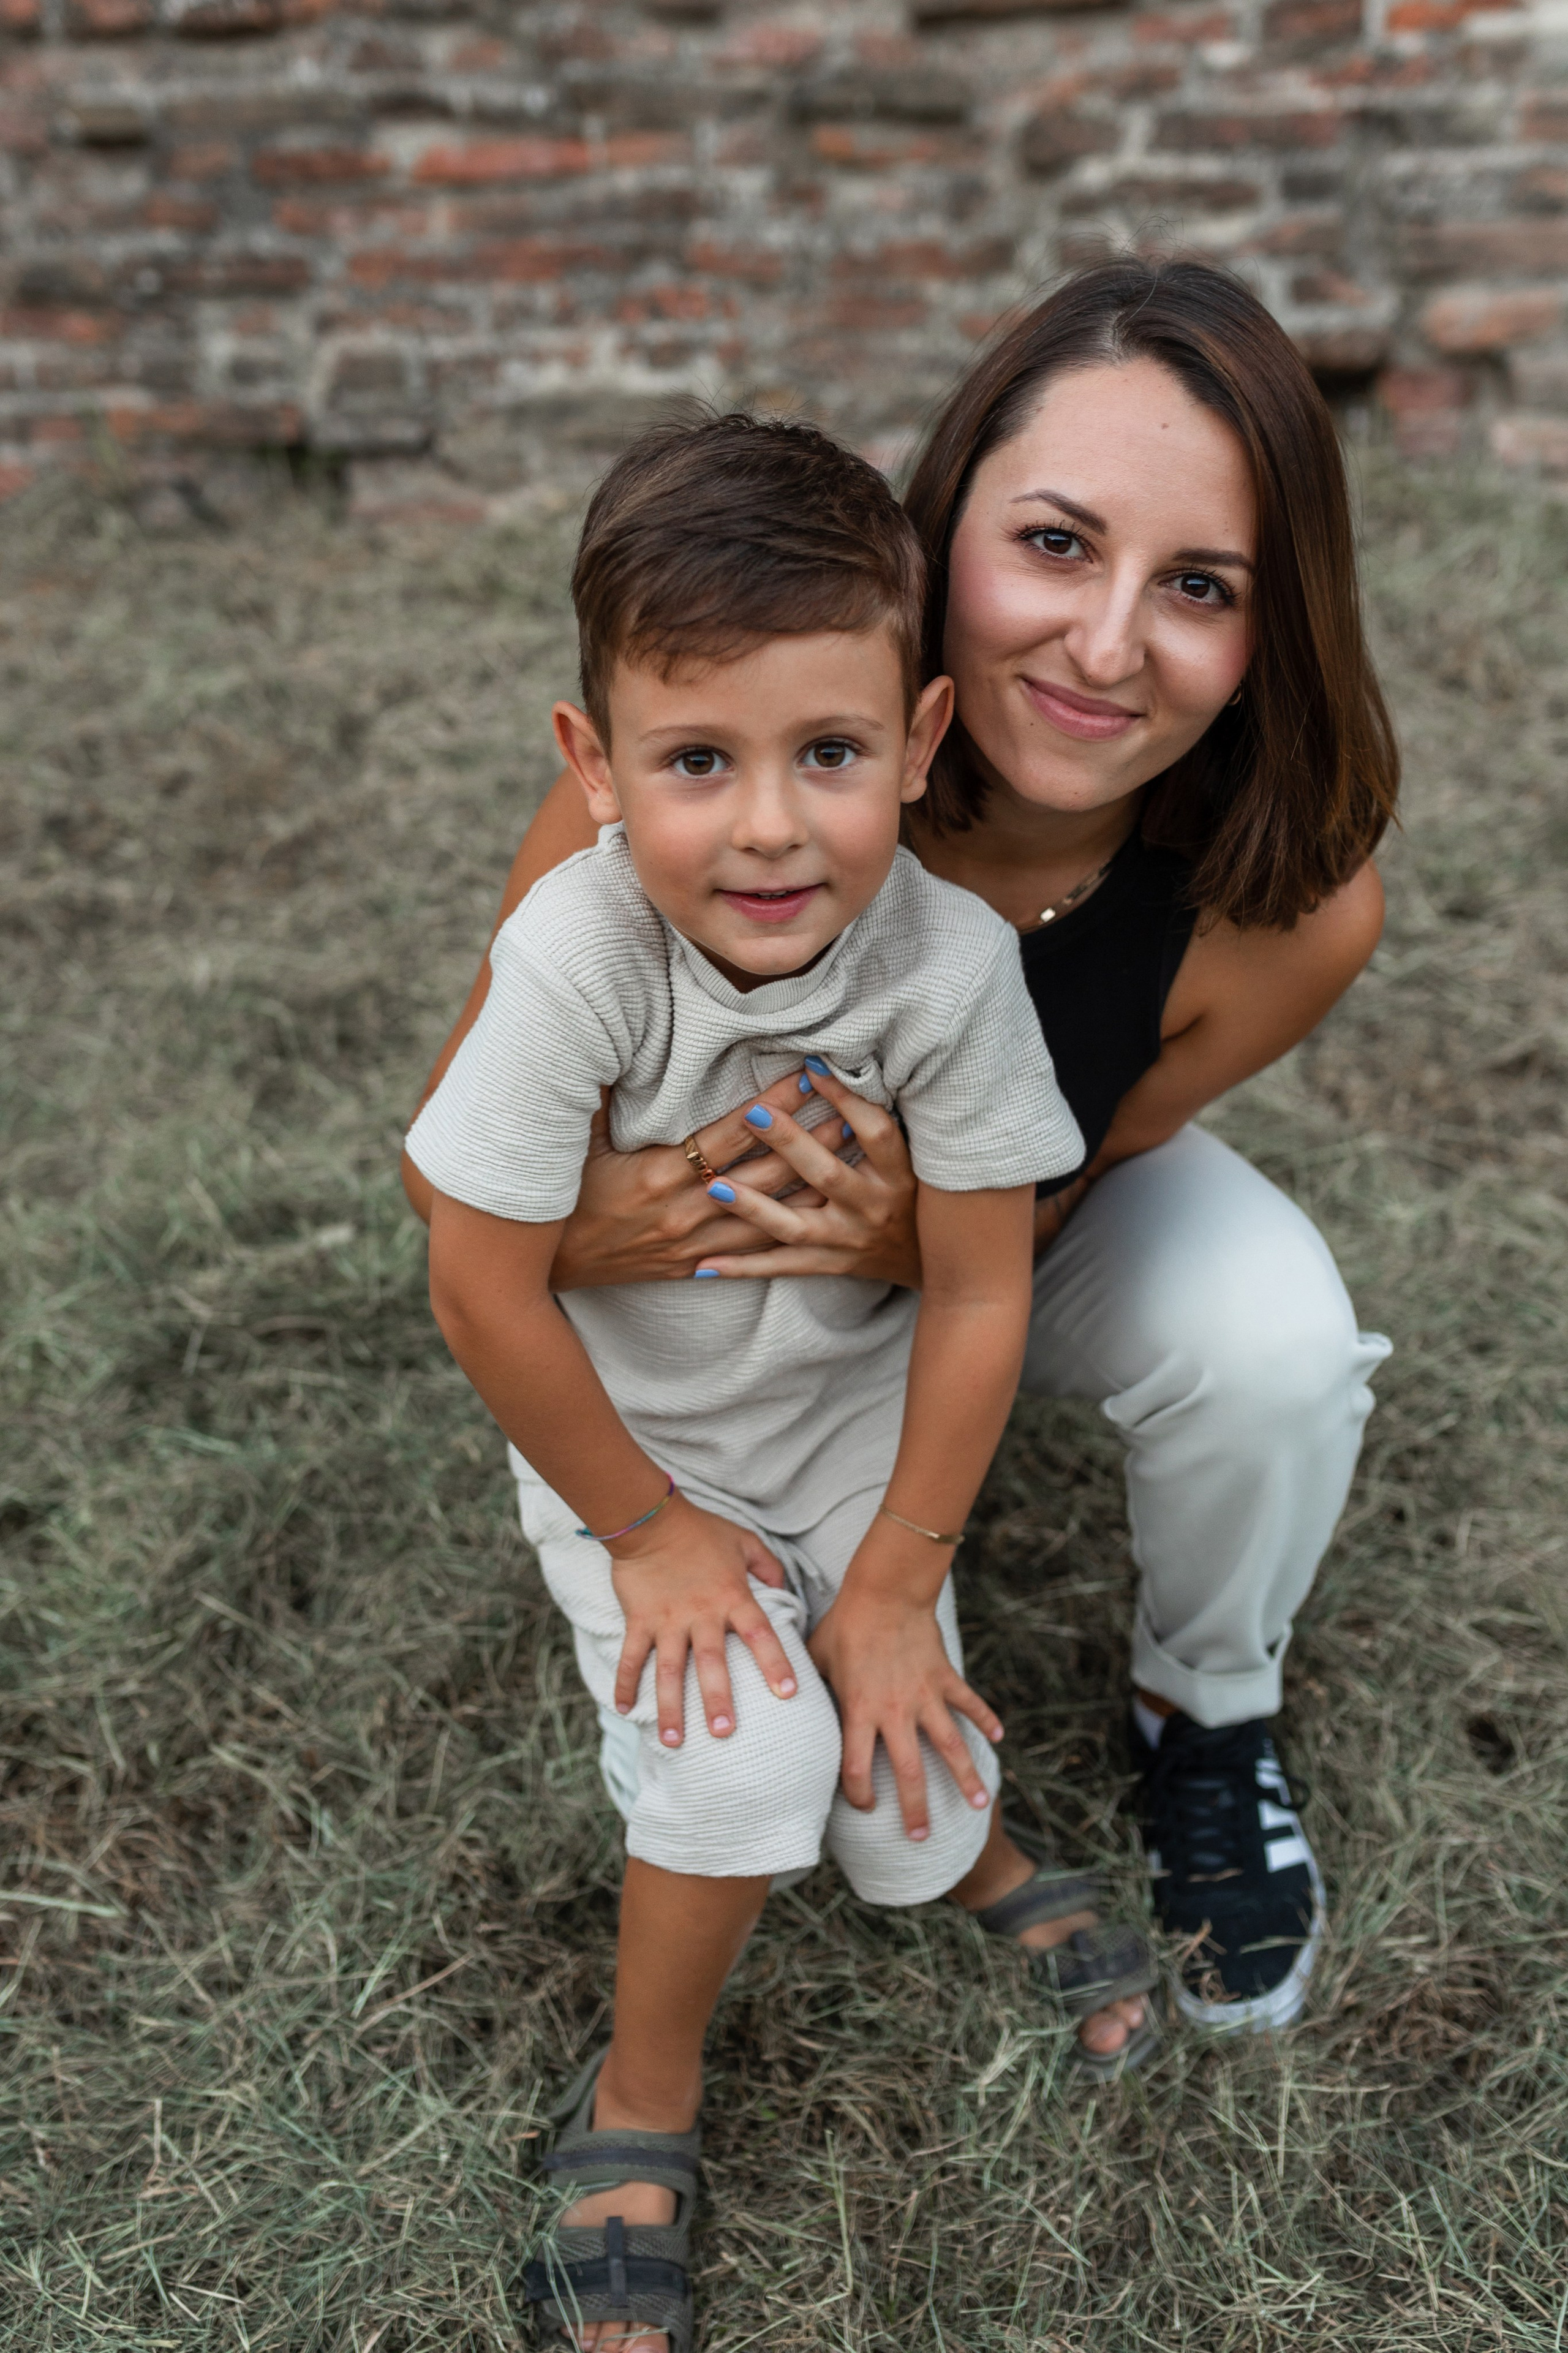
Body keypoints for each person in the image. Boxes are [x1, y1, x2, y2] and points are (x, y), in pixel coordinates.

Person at [405, 259, 1398, 2060]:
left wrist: (914, 1251)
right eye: (1055, 544)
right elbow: (469, 1166)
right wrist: (622, 1232)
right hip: (684, 1281)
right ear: (950, 537)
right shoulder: (735, 730)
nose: (1107, 644)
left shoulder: (1292, 910)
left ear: (1276, 625)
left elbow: (1073, 1189)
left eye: (1198, 585)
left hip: (989, 1237)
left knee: (1275, 1338)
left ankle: (1208, 1713)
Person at [406, 413, 1158, 2353]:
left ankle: (979, 1854)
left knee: (904, 1808)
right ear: (593, 766)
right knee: (750, 1771)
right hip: (638, 1451)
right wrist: (650, 1533)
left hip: (845, 1432)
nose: (767, 827)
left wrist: (897, 1577)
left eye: (828, 752)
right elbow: (477, 1281)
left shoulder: (950, 965)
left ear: (918, 740)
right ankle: (642, 2090)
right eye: (696, 761)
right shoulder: (575, 952)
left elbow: (977, 1291)